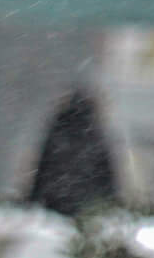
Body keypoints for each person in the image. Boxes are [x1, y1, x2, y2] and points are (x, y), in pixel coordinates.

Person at [28, 88, 120, 219]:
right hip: (86, 202)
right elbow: (106, 171)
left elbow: (43, 166)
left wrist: (33, 198)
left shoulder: (58, 128)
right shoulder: (93, 132)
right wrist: (112, 199)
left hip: (56, 199)